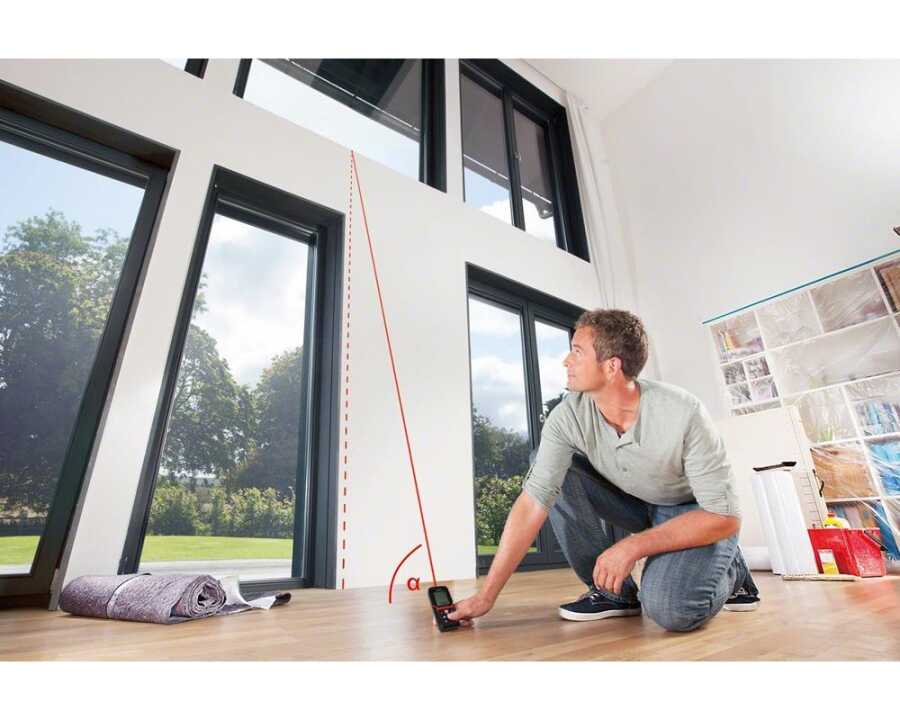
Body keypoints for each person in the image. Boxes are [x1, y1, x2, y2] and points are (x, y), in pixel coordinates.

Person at [448, 309, 759, 632]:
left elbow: (725, 516)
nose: (566, 361)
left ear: (611, 366)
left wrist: (633, 546)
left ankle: (732, 571)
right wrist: (486, 596)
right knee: (549, 464)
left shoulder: (683, 412)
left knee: (672, 610)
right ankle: (614, 592)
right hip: (638, 503)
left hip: (697, 513)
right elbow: (533, 502)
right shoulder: (567, 417)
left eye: (577, 352)